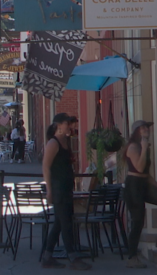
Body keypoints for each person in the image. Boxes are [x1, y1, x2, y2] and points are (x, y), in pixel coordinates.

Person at [41, 113, 90, 270]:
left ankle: (47, 256)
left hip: (66, 187)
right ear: (59, 125)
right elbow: (46, 167)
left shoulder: (66, 141)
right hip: (58, 188)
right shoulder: (53, 143)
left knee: (60, 222)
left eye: (71, 124)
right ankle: (73, 257)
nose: (70, 126)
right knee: (66, 223)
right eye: (67, 124)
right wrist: (49, 190)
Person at [124, 120, 157, 269]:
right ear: (136, 131)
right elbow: (139, 168)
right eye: (143, 127)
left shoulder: (144, 147)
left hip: (144, 183)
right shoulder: (133, 147)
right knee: (138, 221)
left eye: (147, 127)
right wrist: (144, 149)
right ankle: (132, 256)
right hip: (134, 186)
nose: (146, 129)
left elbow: (146, 172)